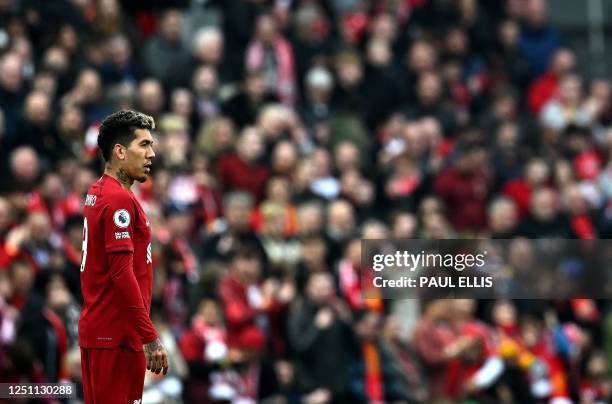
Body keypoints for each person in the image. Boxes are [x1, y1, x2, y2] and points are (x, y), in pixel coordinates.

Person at [78, 109, 168, 403]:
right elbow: (121, 272)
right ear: (119, 151)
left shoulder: (99, 191)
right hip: (117, 337)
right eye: (143, 145)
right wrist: (149, 336)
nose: (151, 154)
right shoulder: (117, 199)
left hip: (102, 332)